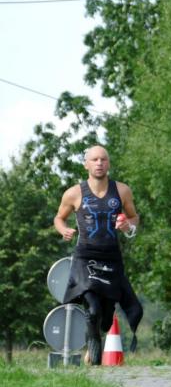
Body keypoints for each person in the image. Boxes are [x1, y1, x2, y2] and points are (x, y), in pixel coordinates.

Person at [54, 145, 143, 365]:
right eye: (94, 159)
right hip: (85, 257)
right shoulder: (74, 193)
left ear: (108, 163)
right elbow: (59, 218)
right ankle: (94, 359)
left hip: (111, 258)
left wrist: (128, 227)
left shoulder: (122, 190)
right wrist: (63, 230)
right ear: (86, 164)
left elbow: (134, 217)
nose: (99, 163)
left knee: (105, 318)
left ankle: (93, 340)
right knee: (92, 310)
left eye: (103, 159)